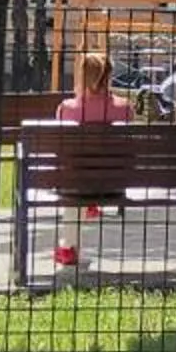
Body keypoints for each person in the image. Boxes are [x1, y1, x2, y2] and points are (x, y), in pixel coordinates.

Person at [52, 50, 131, 271]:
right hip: (112, 184)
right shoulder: (124, 108)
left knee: (73, 177)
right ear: (110, 76)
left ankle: (68, 247)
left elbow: (62, 152)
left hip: (76, 183)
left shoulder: (67, 108)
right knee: (88, 172)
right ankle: (90, 205)